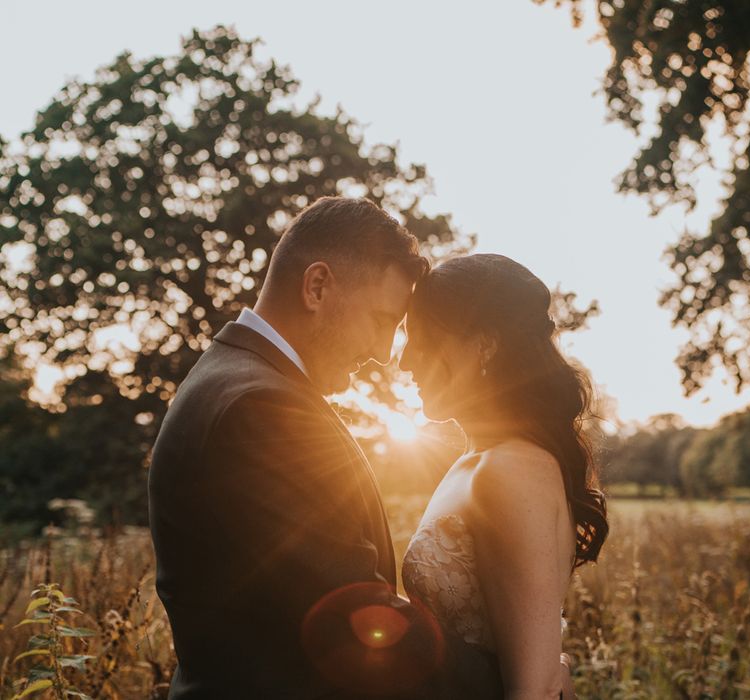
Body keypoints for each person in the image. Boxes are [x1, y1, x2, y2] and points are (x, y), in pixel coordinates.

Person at [148, 197, 505, 699]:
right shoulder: (261, 408)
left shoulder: (237, 379)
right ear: (317, 286)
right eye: (383, 321)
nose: (384, 355)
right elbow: (358, 618)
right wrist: (515, 681)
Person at [400, 254, 609, 699]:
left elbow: (532, 691)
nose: (404, 362)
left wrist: (555, 670)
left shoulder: (511, 470)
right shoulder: (477, 461)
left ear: (484, 345)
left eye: (420, 340)